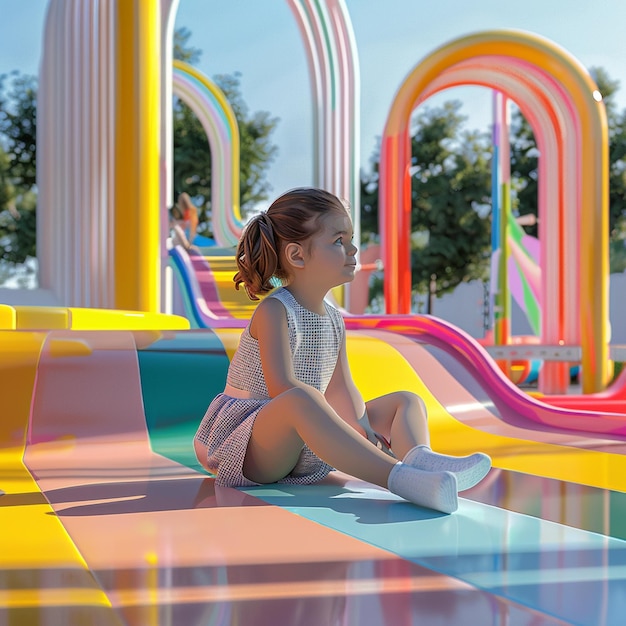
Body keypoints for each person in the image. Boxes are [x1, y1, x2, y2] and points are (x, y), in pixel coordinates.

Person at [193, 187, 491, 513]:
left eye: (350, 239)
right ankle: (400, 478)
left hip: (307, 433)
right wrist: (340, 426)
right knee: (301, 399)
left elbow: (341, 388)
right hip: (255, 444)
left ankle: (421, 460)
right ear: (297, 256)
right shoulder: (276, 310)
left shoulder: (334, 318)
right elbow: (283, 389)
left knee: (405, 401)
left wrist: (360, 427)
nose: (353, 249)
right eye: (338, 241)